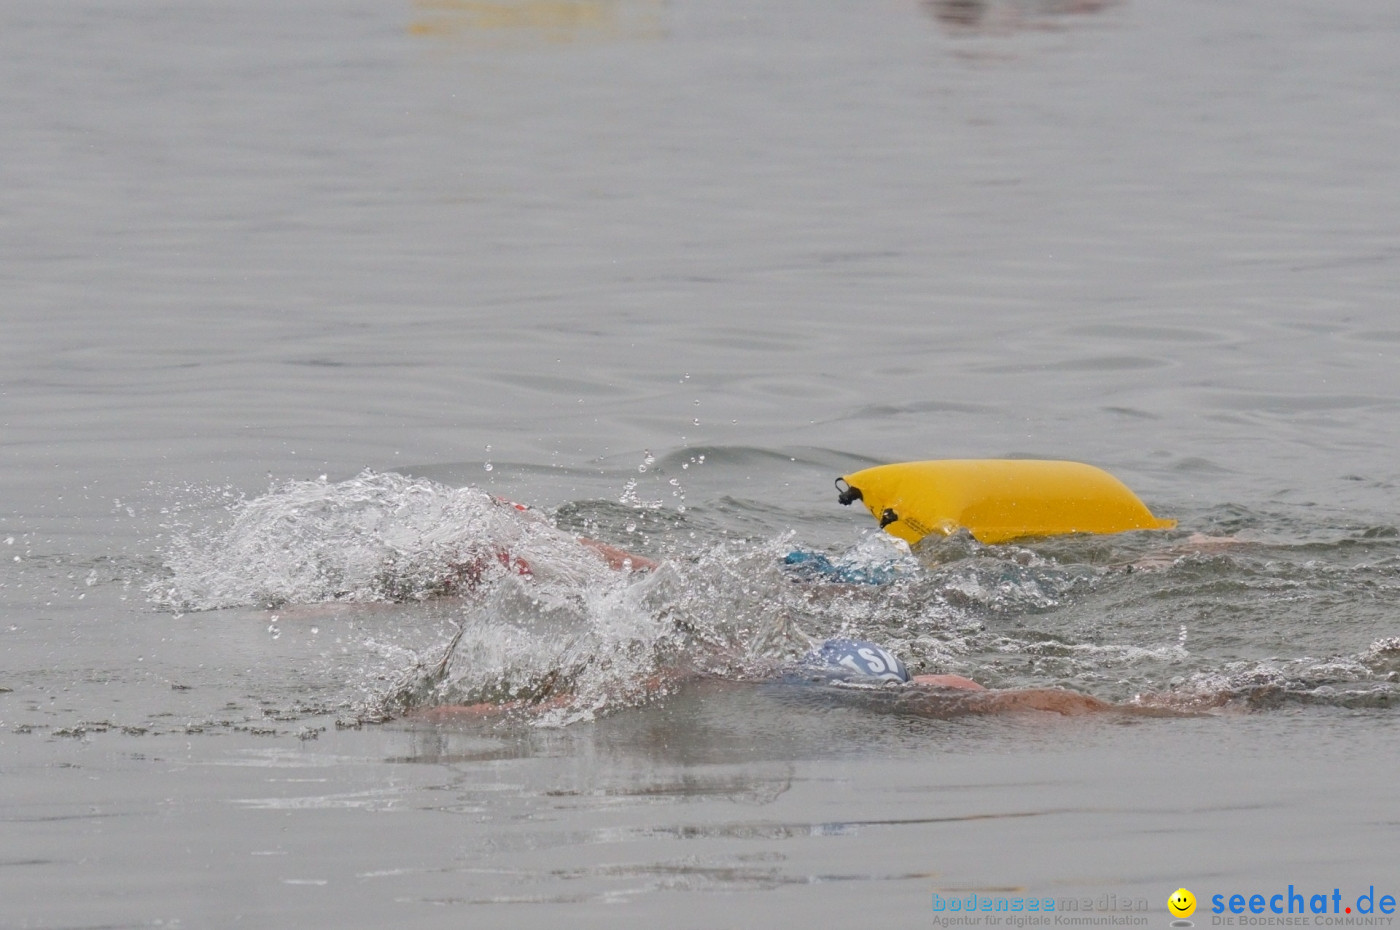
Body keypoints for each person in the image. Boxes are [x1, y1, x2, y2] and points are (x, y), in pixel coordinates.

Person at [408, 637, 1149, 722]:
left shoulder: (693, 675)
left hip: (843, 685)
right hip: (857, 670)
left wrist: (446, 716)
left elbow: (570, 703)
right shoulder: (723, 669)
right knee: (964, 696)